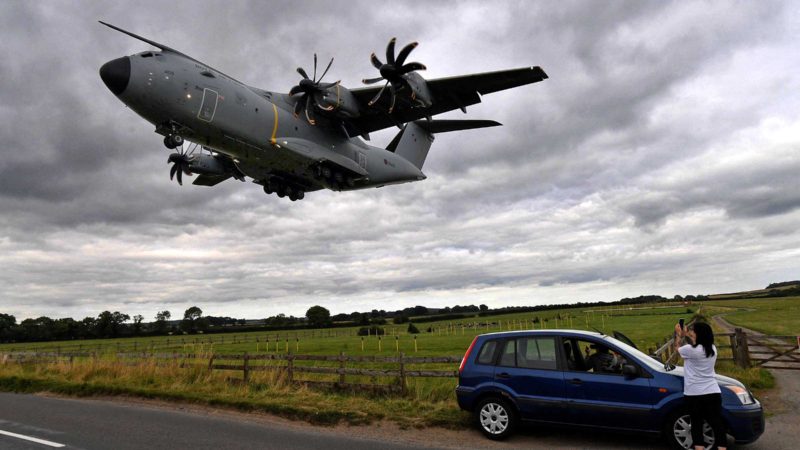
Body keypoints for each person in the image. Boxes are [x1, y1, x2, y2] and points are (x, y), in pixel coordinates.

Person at [674, 321, 727, 450]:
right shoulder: (712, 349)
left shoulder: (690, 350)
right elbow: (695, 346)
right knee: (717, 424)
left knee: (696, 424)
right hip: (713, 392)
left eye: (693, 331)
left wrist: (679, 335)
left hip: (694, 394)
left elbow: (677, 349)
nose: (691, 332)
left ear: (699, 334)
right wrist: (688, 335)